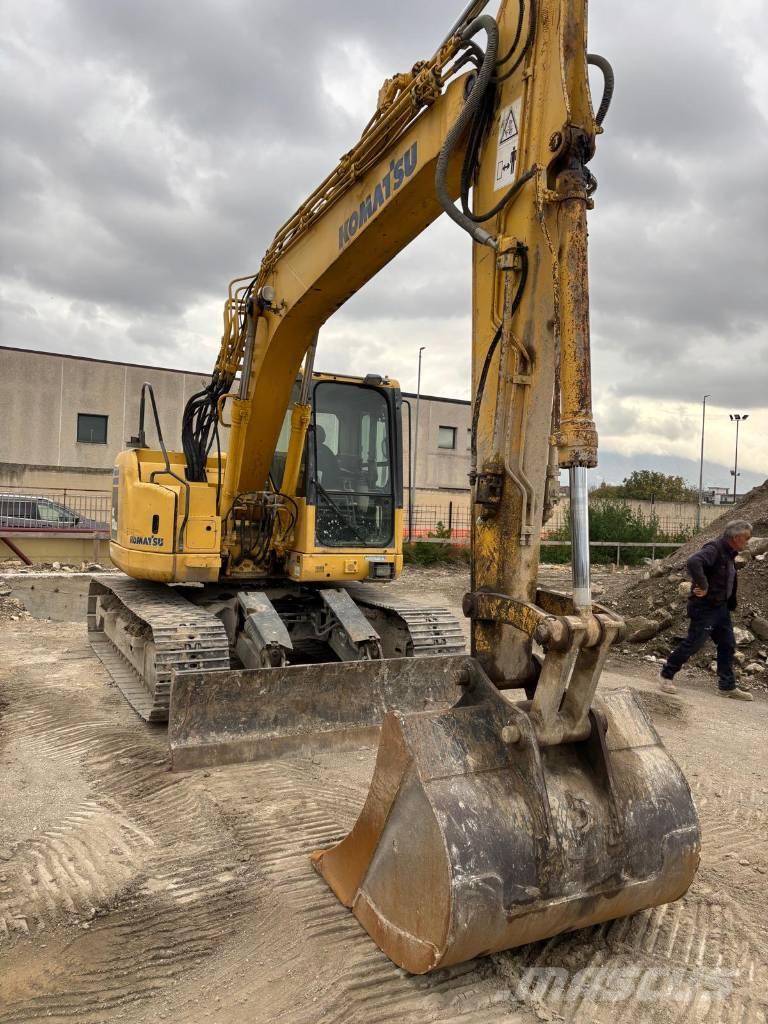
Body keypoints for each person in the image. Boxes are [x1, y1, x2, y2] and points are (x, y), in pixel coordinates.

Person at [659, 519, 753, 700]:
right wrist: (703, 584)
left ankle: (727, 687)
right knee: (693, 643)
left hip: (721, 608)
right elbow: (694, 561)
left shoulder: (729, 553)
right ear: (736, 537)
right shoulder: (715, 549)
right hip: (705, 608)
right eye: (746, 538)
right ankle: (666, 675)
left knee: (727, 644)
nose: (748, 542)